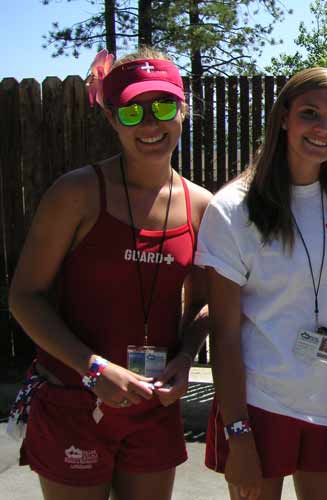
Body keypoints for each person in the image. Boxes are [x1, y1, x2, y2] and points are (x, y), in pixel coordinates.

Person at [8, 47, 212, 500]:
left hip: (152, 405)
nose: (150, 124)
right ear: (111, 119)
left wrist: (184, 358)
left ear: (182, 111)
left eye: (162, 106)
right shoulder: (76, 194)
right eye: (133, 110)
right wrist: (92, 368)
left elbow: (203, 305)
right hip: (73, 400)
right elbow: (25, 296)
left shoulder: (201, 207)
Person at [198, 67, 327, 500]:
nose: (324, 129)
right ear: (283, 117)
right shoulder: (233, 209)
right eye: (310, 113)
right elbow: (223, 335)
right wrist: (238, 434)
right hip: (260, 408)